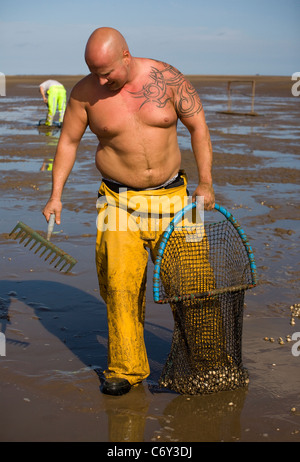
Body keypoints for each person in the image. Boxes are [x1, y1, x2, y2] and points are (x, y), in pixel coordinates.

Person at [42, 27, 215, 396]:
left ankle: (204, 360)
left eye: (107, 72)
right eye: (94, 72)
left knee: (194, 284)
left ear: (126, 55)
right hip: (115, 202)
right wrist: (56, 195)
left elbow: (198, 126)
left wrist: (206, 183)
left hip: (177, 198)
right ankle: (126, 367)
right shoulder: (84, 94)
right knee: (119, 286)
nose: (101, 80)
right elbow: (69, 142)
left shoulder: (167, 78)